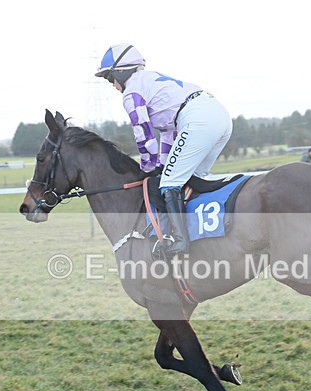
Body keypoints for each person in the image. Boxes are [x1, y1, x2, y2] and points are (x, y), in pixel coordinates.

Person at [95, 43, 232, 255]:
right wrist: (161, 164)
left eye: (109, 77)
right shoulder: (149, 81)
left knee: (169, 183)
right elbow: (168, 133)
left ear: (121, 72)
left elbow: (144, 135)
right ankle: (202, 235)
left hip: (198, 120)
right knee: (188, 180)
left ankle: (180, 241)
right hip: (218, 116)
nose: (112, 84)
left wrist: (147, 167)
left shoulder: (132, 92)